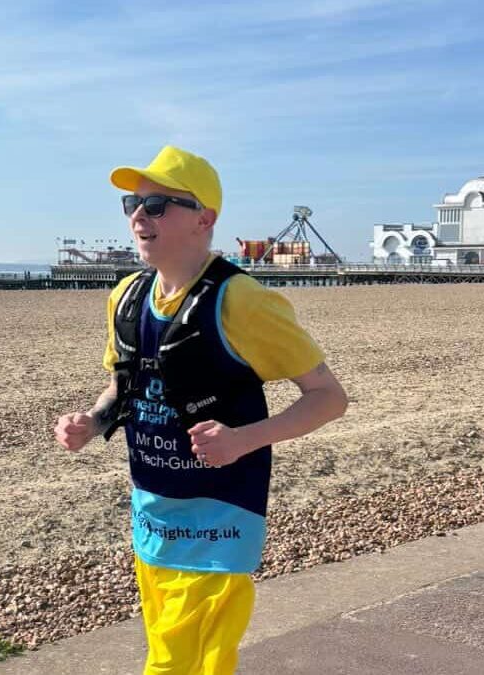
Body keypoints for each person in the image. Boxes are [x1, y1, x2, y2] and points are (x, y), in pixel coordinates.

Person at [54, 145, 348, 675]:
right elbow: (124, 386)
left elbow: (329, 398)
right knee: (170, 649)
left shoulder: (243, 301)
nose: (139, 216)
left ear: (204, 219)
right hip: (152, 508)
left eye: (158, 205)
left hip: (220, 514)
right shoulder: (126, 296)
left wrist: (243, 439)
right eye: (133, 204)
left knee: (182, 661)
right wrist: (92, 421)